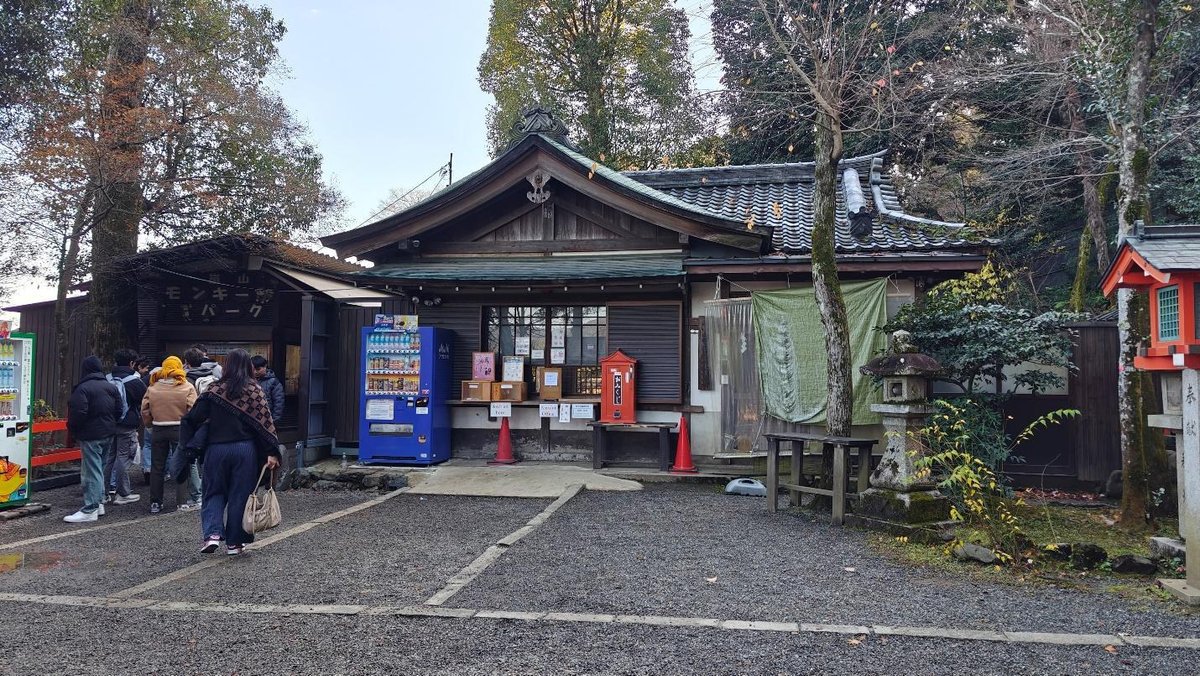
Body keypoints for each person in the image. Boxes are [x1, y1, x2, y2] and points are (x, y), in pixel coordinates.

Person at [181, 349, 281, 555]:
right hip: (245, 450)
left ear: (226, 366)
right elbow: (265, 425)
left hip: (216, 449)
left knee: (213, 492)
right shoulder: (254, 390)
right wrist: (271, 452)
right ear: (248, 367)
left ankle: (212, 535)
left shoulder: (213, 390)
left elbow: (192, 417)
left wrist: (192, 442)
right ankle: (235, 543)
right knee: (240, 495)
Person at [64, 356, 122, 523]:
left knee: (91, 471)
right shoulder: (111, 387)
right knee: (100, 468)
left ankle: (90, 508)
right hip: (108, 432)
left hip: (90, 434)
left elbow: (78, 413)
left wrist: (74, 429)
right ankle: (100, 502)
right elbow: (119, 409)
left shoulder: (82, 389)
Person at [140, 356, 197, 514]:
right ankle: (181, 502)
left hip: (158, 428)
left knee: (157, 467)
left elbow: (145, 409)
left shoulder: (153, 387)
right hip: (180, 429)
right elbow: (194, 410)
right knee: (181, 465)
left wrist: (150, 423)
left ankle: (156, 503)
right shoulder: (186, 386)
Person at [103, 348, 145, 505]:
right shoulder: (134, 382)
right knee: (123, 457)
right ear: (132, 363)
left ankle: (103, 493)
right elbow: (144, 400)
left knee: (109, 457)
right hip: (126, 424)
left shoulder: (106, 379)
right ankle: (123, 493)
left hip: (108, 423)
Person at [251, 356, 285, 422]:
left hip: (267, 418)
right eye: (253, 370)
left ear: (265, 366)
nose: (255, 372)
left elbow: (279, 402)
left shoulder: (273, 382)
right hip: (253, 417)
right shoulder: (249, 380)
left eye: (258, 369)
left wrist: (274, 420)